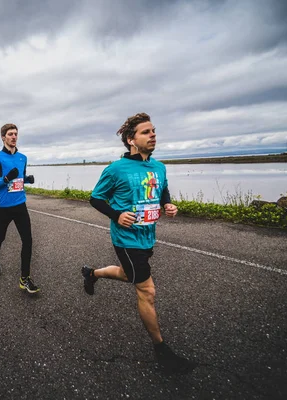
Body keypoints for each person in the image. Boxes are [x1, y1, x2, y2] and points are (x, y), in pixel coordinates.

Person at [81, 112, 194, 373]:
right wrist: (117, 215)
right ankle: (162, 351)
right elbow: (96, 198)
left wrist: (167, 203)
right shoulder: (116, 169)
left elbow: (162, 188)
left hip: (147, 236)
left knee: (128, 274)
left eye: (153, 130)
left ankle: (92, 273)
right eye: (146, 132)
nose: (153, 135)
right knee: (147, 290)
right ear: (131, 140)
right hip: (126, 239)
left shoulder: (159, 167)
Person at [0, 123, 38, 293]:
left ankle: (25, 278)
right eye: (10, 134)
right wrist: (6, 178)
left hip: (20, 205)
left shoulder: (23, 157)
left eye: (15, 134)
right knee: (0, 237)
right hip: (3, 207)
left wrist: (27, 179)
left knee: (28, 241)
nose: (14, 137)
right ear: (3, 137)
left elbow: (19, 179)